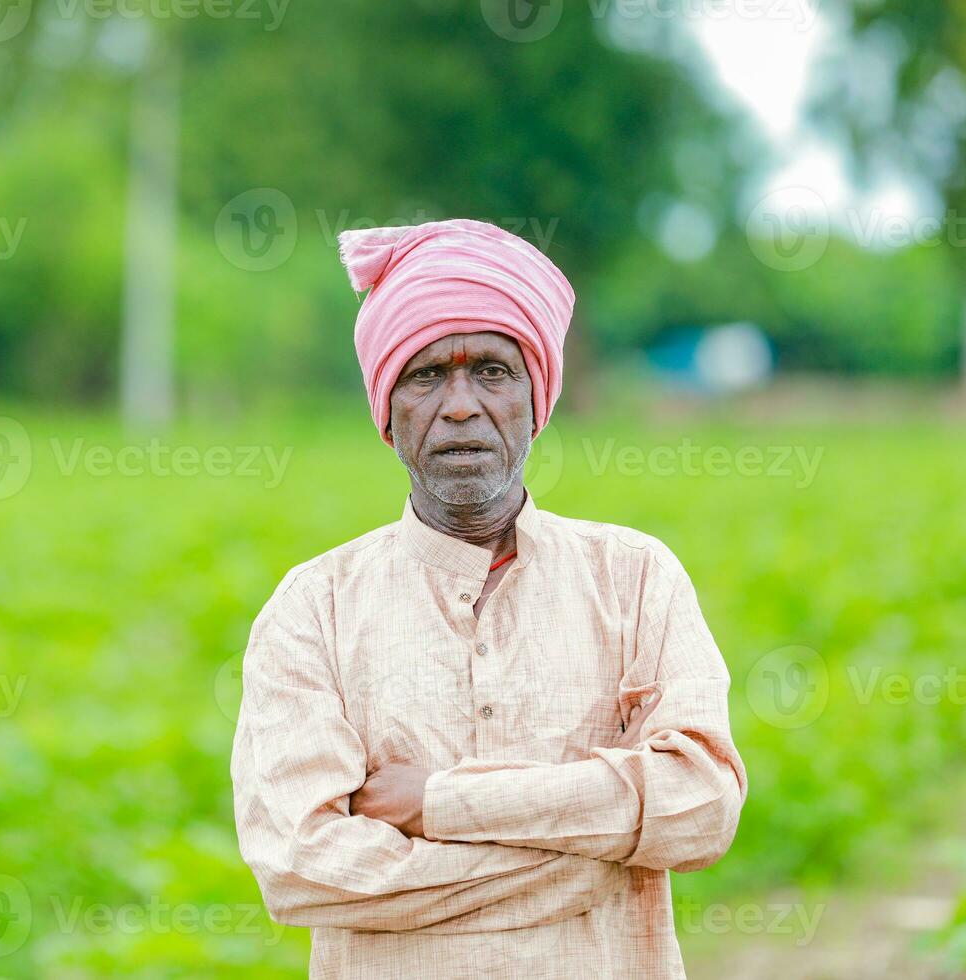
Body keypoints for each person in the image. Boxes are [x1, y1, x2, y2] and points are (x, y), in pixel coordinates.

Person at [230, 218, 748, 978]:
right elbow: (301, 863)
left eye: (494, 371)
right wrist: (596, 859)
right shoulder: (315, 608)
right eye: (426, 374)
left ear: (536, 402)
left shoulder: (635, 578)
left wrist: (441, 805)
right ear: (388, 413)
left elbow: (700, 805)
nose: (462, 405)